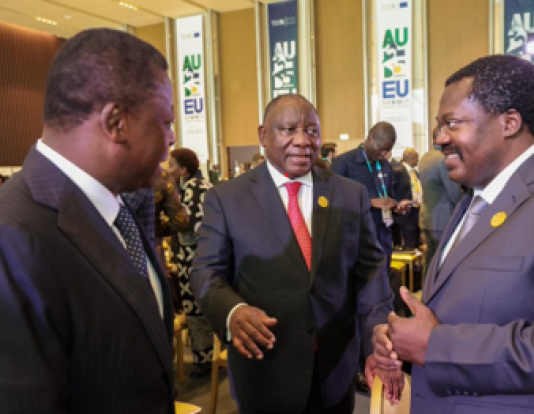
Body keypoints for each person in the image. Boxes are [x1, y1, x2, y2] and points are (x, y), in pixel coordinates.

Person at [373, 54, 534, 414]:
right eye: (439, 126)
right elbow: (465, 306)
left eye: (452, 124)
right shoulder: (474, 198)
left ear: (509, 122)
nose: (439, 139)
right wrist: (402, 341)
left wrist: (435, 346)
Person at [0, 28, 176, 413]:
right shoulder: (14, 237)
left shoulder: (119, 204)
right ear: (116, 122)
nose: (172, 138)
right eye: (165, 122)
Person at [191, 94, 398, 414]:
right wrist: (233, 311)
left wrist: (376, 333)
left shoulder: (349, 194)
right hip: (265, 370)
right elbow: (206, 272)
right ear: (263, 135)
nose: (302, 141)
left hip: (334, 371)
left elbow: (370, 269)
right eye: (288, 130)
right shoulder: (226, 199)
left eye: (312, 131)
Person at [330, 122, 412, 267]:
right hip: (356, 238)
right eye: (381, 148)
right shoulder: (343, 163)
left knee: (383, 276)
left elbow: (388, 195)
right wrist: (370, 202)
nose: (384, 154)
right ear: (371, 137)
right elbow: (331, 199)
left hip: (383, 236)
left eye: (388, 150)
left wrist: (397, 207)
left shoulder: (385, 165)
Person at [168, 147, 215, 378]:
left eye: (172, 165)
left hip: (192, 257)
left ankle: (203, 359)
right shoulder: (206, 185)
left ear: (183, 170)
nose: (168, 170)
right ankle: (213, 353)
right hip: (209, 255)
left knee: (195, 309)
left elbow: (185, 224)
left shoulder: (189, 189)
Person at [417, 128, 463, 272]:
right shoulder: (442, 159)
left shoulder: (425, 157)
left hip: (427, 217)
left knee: (430, 261)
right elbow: (453, 192)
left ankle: (426, 287)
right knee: (442, 263)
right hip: (442, 219)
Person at [391, 148, 422, 250]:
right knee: (410, 242)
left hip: (416, 209)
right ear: (413, 158)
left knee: (416, 241)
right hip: (405, 212)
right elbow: (390, 190)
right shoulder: (397, 171)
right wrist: (396, 205)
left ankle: (415, 258)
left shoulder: (415, 172)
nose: (418, 160)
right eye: (417, 158)